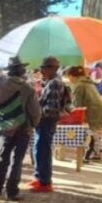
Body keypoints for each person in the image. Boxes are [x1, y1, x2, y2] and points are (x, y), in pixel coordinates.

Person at [0, 56, 41, 201]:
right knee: (17, 160)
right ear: (21, 71)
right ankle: (12, 191)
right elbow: (35, 112)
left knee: (2, 157)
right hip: (23, 129)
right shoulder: (28, 88)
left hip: (4, 128)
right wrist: (33, 125)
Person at [30, 56, 68, 193]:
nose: (42, 71)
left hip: (46, 121)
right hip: (43, 122)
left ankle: (45, 182)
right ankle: (39, 177)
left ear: (53, 69)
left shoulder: (55, 83)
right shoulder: (50, 82)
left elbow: (51, 108)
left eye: (44, 68)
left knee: (43, 151)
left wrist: (36, 115)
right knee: (38, 149)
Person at [64, 66, 102, 162]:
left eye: (68, 77)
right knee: (93, 134)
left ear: (71, 76)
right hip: (98, 112)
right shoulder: (88, 82)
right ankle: (95, 153)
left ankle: (86, 156)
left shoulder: (79, 85)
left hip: (92, 113)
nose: (69, 80)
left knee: (86, 135)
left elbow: (76, 105)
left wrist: (66, 108)